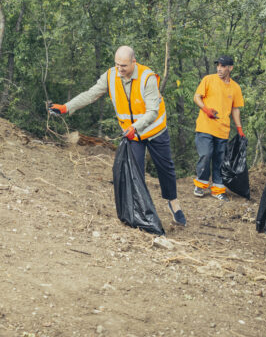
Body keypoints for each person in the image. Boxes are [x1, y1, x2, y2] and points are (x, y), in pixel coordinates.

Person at [49, 46, 186, 226]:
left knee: (165, 169)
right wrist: (67, 107)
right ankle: (139, 210)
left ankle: (173, 204)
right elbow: (91, 94)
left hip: (154, 130)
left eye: (123, 66)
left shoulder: (147, 78)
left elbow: (152, 111)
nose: (119, 69)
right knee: (134, 171)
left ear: (133, 63)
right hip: (133, 135)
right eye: (117, 65)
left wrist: (135, 127)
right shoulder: (111, 76)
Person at [192, 55, 244, 200]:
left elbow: (235, 109)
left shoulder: (235, 87)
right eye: (218, 66)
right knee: (206, 154)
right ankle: (201, 185)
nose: (219, 69)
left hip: (223, 129)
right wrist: (206, 109)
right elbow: (197, 97)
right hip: (205, 126)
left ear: (230, 68)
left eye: (223, 66)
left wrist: (239, 128)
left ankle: (217, 190)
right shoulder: (208, 80)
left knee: (219, 160)